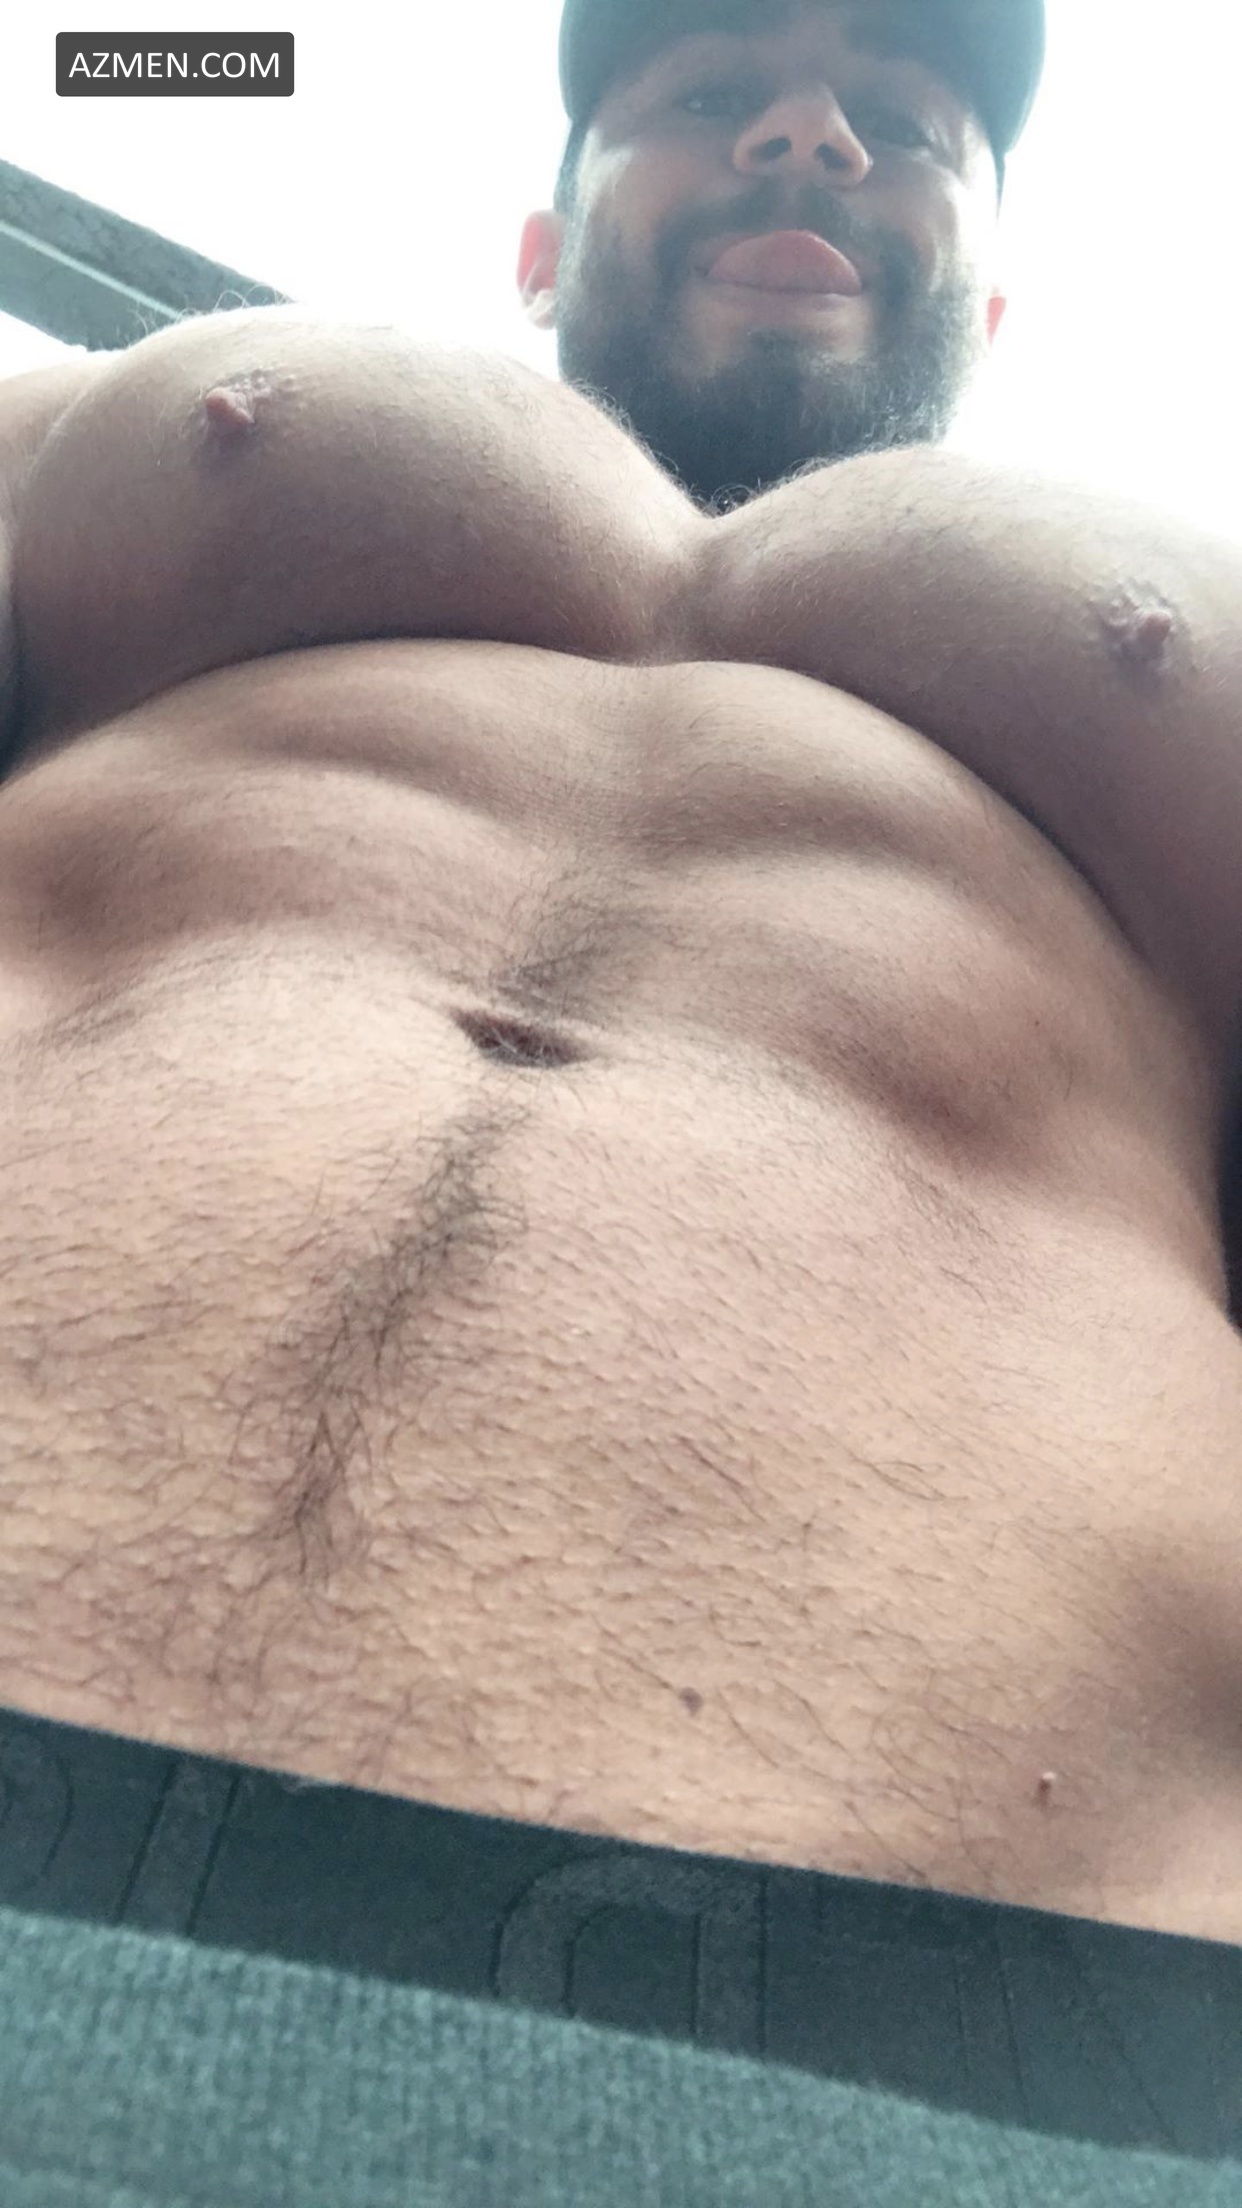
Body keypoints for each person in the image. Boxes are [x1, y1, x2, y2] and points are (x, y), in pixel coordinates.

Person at [0, 0, 1239, 2198]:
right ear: (540, 244)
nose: (809, 130)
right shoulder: (174, 419)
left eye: (905, 124)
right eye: (707, 94)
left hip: (1008, 2010)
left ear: (994, 297)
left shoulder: (1184, 626)